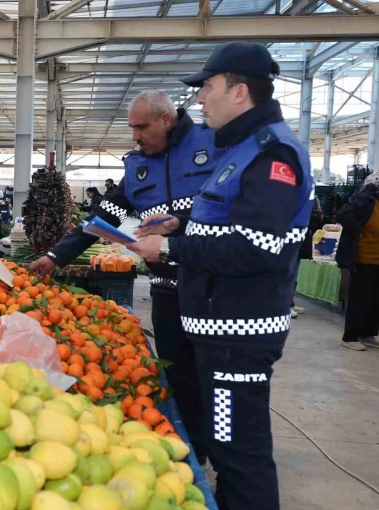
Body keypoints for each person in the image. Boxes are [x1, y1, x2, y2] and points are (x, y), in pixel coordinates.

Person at [126, 43, 313, 510]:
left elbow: (258, 246)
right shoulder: (243, 148)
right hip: (218, 331)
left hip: (237, 337)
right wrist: (180, 225)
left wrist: (168, 247)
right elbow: (231, 221)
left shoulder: (273, 156)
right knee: (228, 445)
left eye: (207, 87)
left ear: (240, 92)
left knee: (238, 453)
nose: (200, 99)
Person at [29, 89, 221, 464]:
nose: (135, 135)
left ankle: (226, 459)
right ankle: (196, 455)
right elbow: (101, 220)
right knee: (179, 380)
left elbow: (234, 208)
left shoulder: (213, 144)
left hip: (214, 288)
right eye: (132, 128)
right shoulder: (137, 167)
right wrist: (55, 256)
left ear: (166, 120)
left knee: (215, 380)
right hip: (167, 292)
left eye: (141, 127)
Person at [335, 172, 379, 351]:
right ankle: (350, 336)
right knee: (360, 299)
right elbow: (343, 213)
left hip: (377, 260)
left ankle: (368, 333)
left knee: (375, 300)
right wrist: (357, 231)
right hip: (363, 258)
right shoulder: (366, 199)